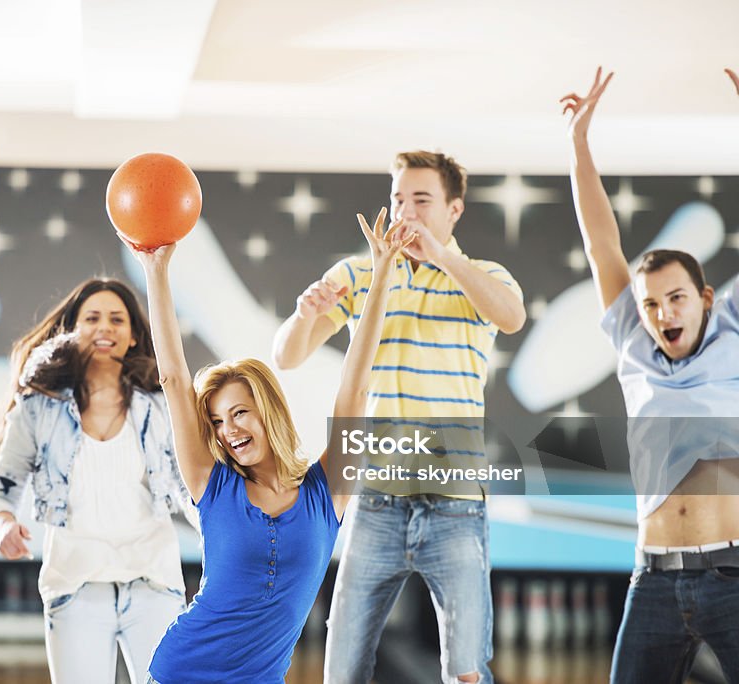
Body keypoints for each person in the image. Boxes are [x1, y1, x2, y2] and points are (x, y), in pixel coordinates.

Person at [274, 151, 526, 683]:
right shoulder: (359, 273)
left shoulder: (483, 276)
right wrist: (304, 315)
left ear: (454, 210)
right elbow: (287, 356)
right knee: (341, 668)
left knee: (466, 671)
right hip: (375, 502)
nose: (405, 211)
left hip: (455, 505)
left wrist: (443, 260)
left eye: (421, 200)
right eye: (397, 198)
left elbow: (510, 315)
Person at [125, 208, 401, 684]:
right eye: (216, 421)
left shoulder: (327, 493)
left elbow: (355, 391)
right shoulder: (211, 485)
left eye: (239, 413)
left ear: (267, 410)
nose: (228, 429)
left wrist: (380, 281)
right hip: (181, 672)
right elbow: (172, 378)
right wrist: (157, 270)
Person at [562, 66, 739, 683]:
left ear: (707, 297)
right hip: (654, 578)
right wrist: (579, 145)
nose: (663, 313)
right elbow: (600, 242)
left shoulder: (733, 332)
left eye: (676, 299)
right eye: (651, 304)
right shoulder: (633, 343)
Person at [0, 278, 198, 684]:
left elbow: (190, 489)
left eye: (117, 319)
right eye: (92, 318)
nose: (105, 328)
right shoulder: (37, 409)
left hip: (154, 583)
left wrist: (222, 531)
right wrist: (3, 525)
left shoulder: (160, 407)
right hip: (74, 588)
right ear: (71, 330)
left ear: (133, 336)